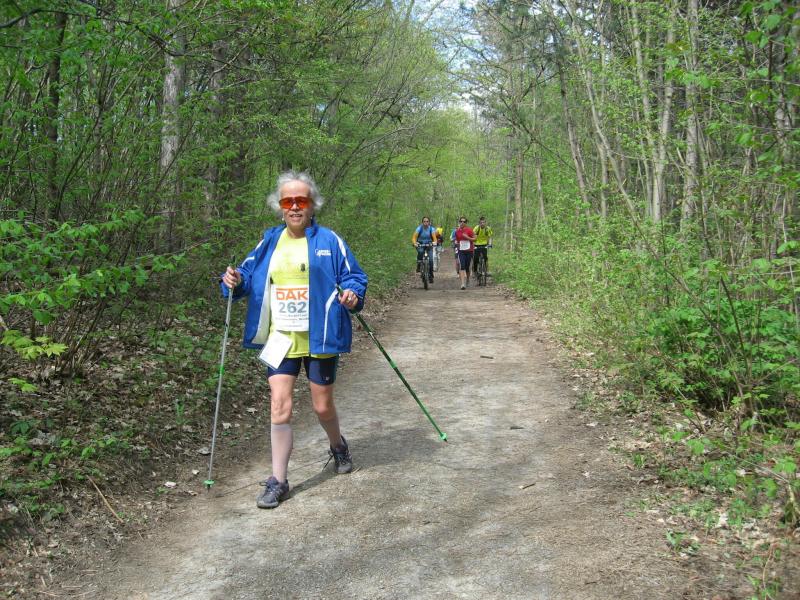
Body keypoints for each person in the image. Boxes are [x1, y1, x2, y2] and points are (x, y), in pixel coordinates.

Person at [220, 170, 368, 509]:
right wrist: (233, 280)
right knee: (279, 405)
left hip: (320, 337)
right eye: (288, 202)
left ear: (313, 204)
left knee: (322, 406)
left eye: (302, 200)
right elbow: (245, 277)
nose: (295, 207)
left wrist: (351, 294)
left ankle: (338, 446)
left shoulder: (329, 241)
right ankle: (279, 481)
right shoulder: (269, 241)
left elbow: (355, 277)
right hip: (281, 338)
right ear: (280, 206)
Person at [411, 216, 437, 282]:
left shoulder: (431, 229)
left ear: (429, 222)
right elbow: (414, 237)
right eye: (424, 221)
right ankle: (419, 265)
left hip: (429, 245)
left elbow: (434, 238)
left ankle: (431, 275)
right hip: (420, 244)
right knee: (421, 251)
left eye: (427, 221)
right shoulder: (419, 228)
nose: (426, 223)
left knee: (431, 260)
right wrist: (414, 243)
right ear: (422, 222)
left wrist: (434, 242)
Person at [454, 216, 476, 289]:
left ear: (466, 223)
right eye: (461, 221)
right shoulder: (457, 231)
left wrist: (467, 237)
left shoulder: (469, 230)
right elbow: (457, 241)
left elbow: (475, 239)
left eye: (464, 222)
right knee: (462, 266)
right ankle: (462, 284)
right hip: (461, 251)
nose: (462, 223)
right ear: (459, 222)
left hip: (469, 251)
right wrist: (457, 245)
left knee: (467, 267)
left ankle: (468, 279)